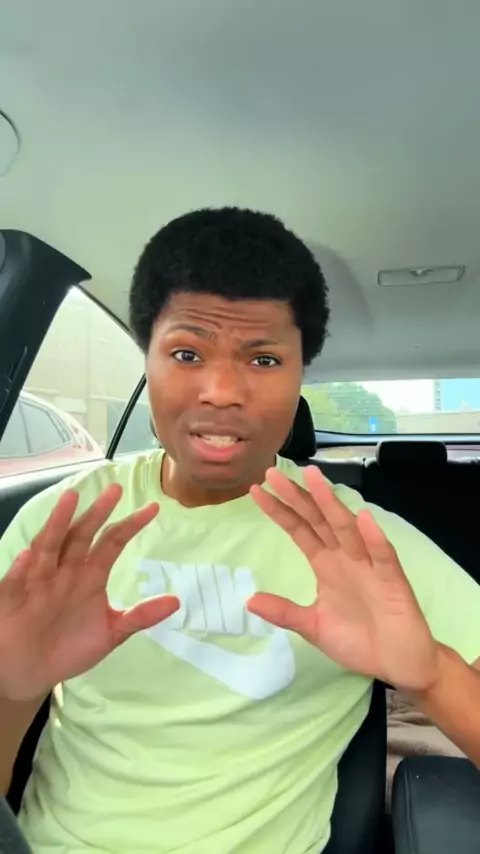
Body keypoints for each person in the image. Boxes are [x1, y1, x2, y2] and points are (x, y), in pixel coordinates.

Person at [0, 207, 479, 854]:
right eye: (186, 353)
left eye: (264, 358)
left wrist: (431, 675)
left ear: (301, 373)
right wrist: (11, 692)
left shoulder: (358, 541)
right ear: (147, 359)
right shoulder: (64, 522)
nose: (222, 390)